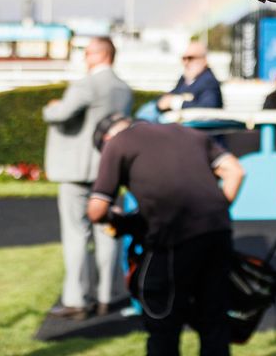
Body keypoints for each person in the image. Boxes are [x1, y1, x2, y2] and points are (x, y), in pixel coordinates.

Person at [88, 113, 244, 356]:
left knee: (163, 322)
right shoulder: (189, 133)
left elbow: (96, 210)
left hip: (172, 239)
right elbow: (235, 171)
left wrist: (114, 219)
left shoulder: (117, 143)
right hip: (217, 232)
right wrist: (213, 212)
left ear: (106, 139)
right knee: (214, 321)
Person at [42, 35, 133, 319]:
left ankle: (77, 300)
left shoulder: (86, 84)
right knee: (107, 232)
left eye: (89, 52)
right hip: (110, 169)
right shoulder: (124, 88)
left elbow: (61, 114)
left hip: (77, 171)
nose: (85, 57)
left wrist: (51, 106)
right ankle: (106, 296)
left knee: (76, 234)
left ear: (102, 54)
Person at [157, 40, 222, 112]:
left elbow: (209, 107)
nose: (186, 62)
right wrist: (164, 100)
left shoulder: (209, 81)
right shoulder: (185, 79)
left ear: (204, 60)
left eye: (190, 58)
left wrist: (175, 102)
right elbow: (171, 94)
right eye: (184, 58)